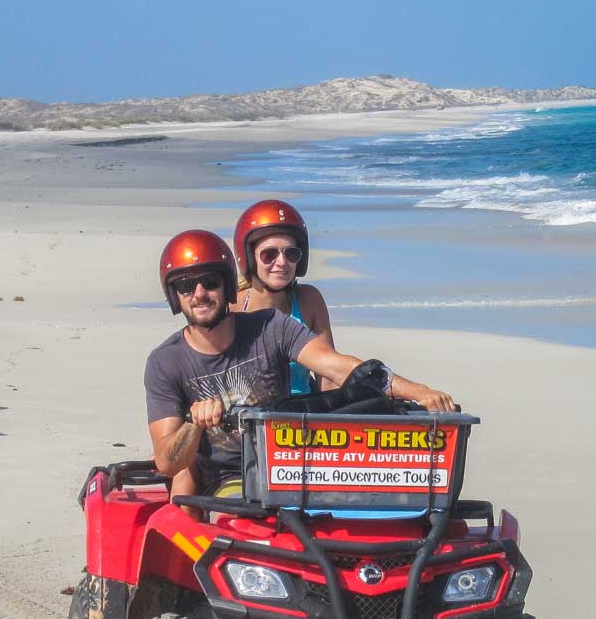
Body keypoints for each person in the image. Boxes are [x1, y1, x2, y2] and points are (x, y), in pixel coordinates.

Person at [145, 229, 454, 498]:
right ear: (175, 296)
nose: (199, 294)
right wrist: (194, 424)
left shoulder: (270, 326)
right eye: (186, 286)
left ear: (226, 285)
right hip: (234, 481)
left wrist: (420, 392)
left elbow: (337, 366)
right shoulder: (165, 362)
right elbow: (167, 461)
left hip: (296, 465)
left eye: (210, 282)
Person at [232, 199, 333, 394]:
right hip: (250, 418)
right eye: (269, 254)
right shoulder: (232, 307)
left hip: (303, 415)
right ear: (249, 257)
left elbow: (328, 378)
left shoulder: (308, 301)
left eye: (291, 254)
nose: (282, 262)